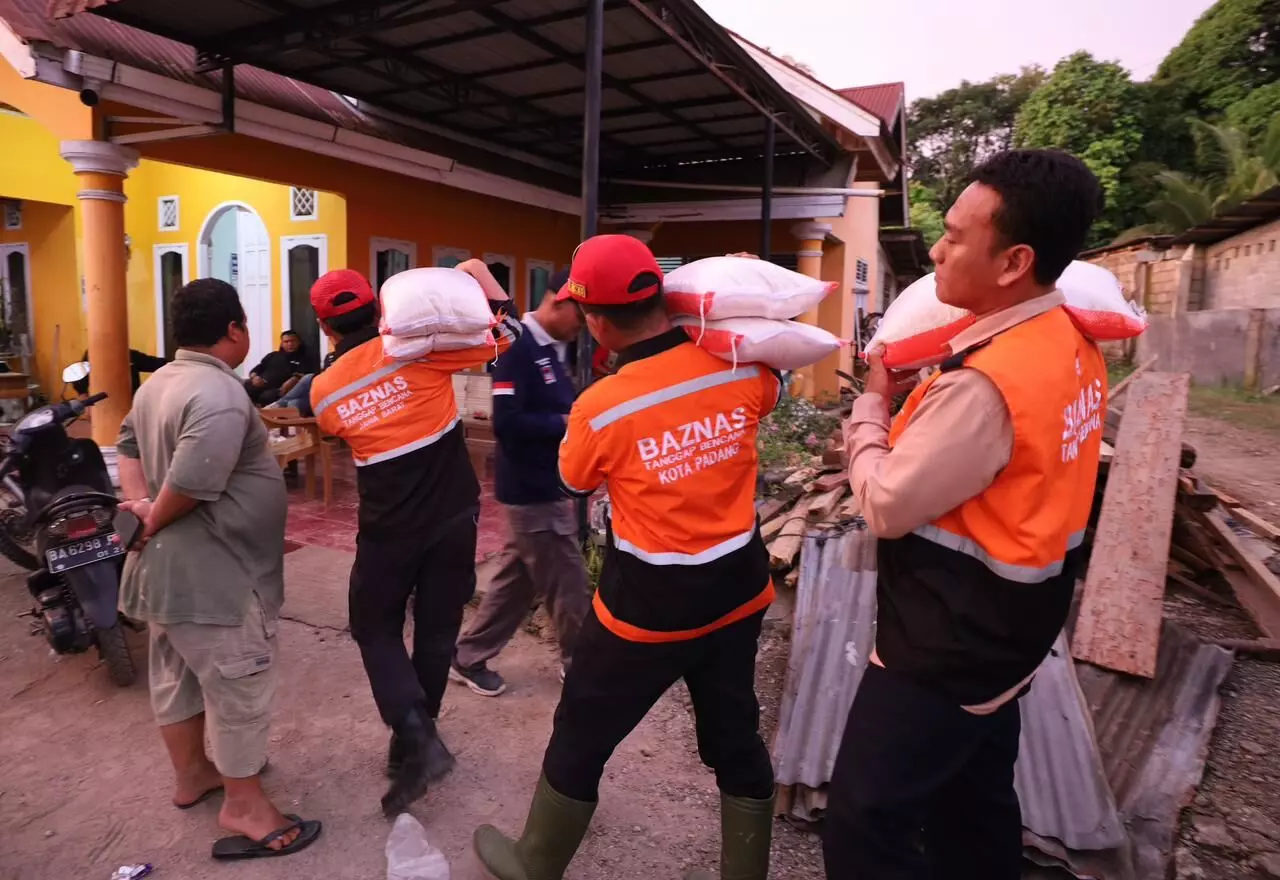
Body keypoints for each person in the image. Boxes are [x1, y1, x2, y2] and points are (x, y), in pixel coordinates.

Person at [826, 149, 1106, 880]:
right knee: (973, 807)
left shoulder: (986, 385)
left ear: (1014, 262)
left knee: (863, 824)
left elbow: (885, 503)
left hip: (945, 646)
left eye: (953, 236)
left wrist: (871, 408)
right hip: (1016, 629)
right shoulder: (1071, 343)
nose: (937, 252)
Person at [472, 236, 782, 880]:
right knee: (735, 731)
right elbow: (772, 386)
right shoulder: (741, 369)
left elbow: (574, 481)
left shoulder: (603, 405)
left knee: (583, 727)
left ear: (596, 321)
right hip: (739, 589)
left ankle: (534, 861)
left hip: (649, 609)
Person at [116, 278, 321, 861]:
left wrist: (138, 505)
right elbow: (192, 480)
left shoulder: (160, 382)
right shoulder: (220, 394)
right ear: (234, 329)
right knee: (239, 688)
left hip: (168, 576)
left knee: (177, 676)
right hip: (217, 577)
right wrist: (153, 515)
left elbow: (127, 446)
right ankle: (245, 806)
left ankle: (193, 776)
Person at [308, 263, 520, 816]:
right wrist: (480, 277)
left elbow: (339, 430)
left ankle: (416, 740)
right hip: (455, 515)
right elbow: (507, 335)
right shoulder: (424, 352)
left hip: (390, 528)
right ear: (380, 310)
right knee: (437, 628)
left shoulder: (324, 393)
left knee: (373, 625)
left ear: (325, 327)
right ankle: (414, 744)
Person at [451, 269, 591, 696]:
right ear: (560, 302)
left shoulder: (549, 348)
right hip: (532, 491)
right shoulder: (517, 348)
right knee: (569, 581)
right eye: (581, 316)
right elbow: (507, 423)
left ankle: (467, 656)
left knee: (517, 581)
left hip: (547, 486)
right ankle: (583, 667)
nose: (584, 327)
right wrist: (565, 422)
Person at [243, 330, 317, 406]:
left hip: (280, 389)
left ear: (299, 342)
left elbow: (308, 376)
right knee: (245, 386)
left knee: (267, 396)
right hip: (261, 384)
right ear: (282, 344)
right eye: (286, 342)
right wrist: (255, 377)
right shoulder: (273, 355)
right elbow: (256, 369)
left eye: (293, 341)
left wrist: (295, 378)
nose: (290, 344)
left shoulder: (305, 358)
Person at [71, 347, 169, 397]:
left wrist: (174, 363)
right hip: (103, 407)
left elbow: (153, 363)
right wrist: (83, 395)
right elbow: (79, 379)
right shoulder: (93, 355)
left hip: (130, 405)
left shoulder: (128, 355)